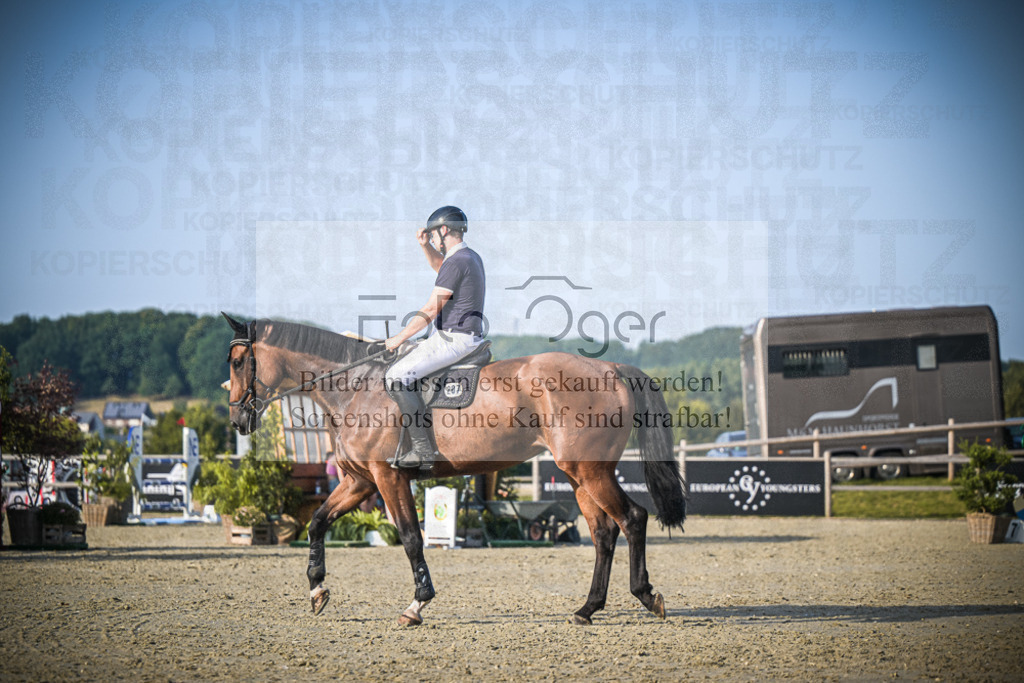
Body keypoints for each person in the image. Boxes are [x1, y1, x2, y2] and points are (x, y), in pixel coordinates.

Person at [384, 206, 486, 470]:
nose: (434, 241)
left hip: (453, 338)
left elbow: (430, 309)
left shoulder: (457, 261)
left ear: (443, 230)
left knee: (395, 377)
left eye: (434, 236)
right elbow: (441, 267)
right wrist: (425, 246)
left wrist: (399, 338)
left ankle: (422, 450)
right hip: (466, 337)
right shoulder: (469, 257)